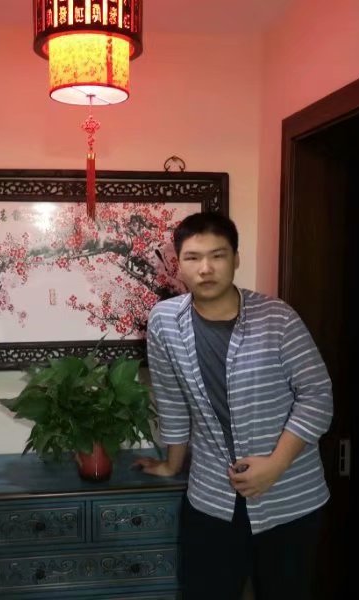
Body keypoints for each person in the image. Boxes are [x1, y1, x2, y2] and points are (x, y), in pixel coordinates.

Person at [134, 212, 333, 600]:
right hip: (212, 495)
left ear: (236, 259)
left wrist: (275, 465)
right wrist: (172, 465)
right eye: (193, 258)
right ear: (178, 265)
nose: (205, 268)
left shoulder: (278, 318)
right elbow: (172, 399)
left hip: (290, 496)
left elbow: (317, 396)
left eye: (218, 255)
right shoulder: (164, 322)